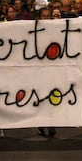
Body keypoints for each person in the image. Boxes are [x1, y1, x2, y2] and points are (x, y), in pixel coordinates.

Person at [36, 7, 57, 137]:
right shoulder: (34, 29)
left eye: (48, 16)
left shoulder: (56, 29)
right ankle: (41, 123)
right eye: (43, 16)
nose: (46, 18)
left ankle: (51, 123)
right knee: (41, 96)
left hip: (53, 69)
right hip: (39, 69)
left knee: (52, 96)